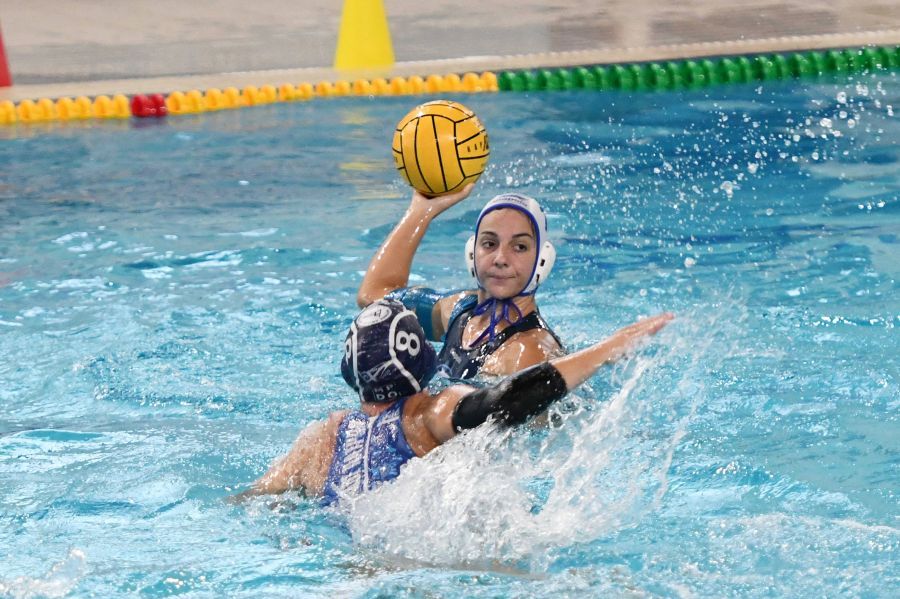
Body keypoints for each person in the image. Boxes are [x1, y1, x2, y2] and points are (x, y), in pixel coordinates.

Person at [234, 299, 672, 505]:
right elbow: (506, 401)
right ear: (422, 361)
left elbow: (251, 500)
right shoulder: (427, 414)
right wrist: (606, 349)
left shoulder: (321, 438)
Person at [357, 185, 564, 379]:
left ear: (542, 259)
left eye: (520, 247)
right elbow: (374, 298)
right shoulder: (460, 310)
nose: (501, 259)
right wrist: (421, 211)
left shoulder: (528, 352)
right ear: (472, 252)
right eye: (489, 243)